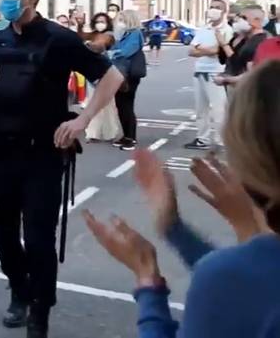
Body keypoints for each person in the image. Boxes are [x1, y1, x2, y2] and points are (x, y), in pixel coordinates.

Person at [0, 0, 124, 338]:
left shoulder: (59, 39)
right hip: (0, 154)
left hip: (42, 158)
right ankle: (19, 289)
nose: (4, 0)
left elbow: (112, 77)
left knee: (37, 239)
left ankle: (39, 312)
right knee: (2, 234)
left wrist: (81, 120)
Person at [85, 60, 280, 338]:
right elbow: (252, 286)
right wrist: (173, 228)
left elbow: (239, 285)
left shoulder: (229, 274)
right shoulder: (243, 271)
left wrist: (147, 282)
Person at [184, 0, 233, 151]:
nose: (213, 10)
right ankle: (202, 138)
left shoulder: (227, 29)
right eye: (212, 7)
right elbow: (191, 50)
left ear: (224, 11)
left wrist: (203, 49)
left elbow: (217, 51)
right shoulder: (203, 29)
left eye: (218, 8)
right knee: (200, 109)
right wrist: (208, 49)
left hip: (216, 72)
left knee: (219, 110)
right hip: (199, 71)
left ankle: (223, 141)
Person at [107, 10, 147, 151]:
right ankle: (126, 135)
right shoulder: (121, 34)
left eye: (122, 19)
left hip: (130, 74)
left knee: (126, 105)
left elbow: (127, 51)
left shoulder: (135, 34)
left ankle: (131, 137)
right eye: (119, 19)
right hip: (120, 72)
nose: (119, 22)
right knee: (120, 105)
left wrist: (112, 53)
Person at [83, 13, 121, 143]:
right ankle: (93, 132)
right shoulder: (93, 34)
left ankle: (109, 132)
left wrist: (89, 46)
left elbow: (100, 45)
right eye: (98, 21)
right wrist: (79, 25)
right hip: (93, 73)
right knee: (93, 102)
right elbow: (79, 37)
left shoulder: (109, 35)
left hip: (107, 73)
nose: (100, 24)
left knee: (107, 104)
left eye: (102, 21)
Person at [216, 7, 270, 87]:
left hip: (248, 90)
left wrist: (226, 80)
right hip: (237, 88)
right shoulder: (243, 39)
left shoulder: (260, 42)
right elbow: (231, 60)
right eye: (239, 17)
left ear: (257, 20)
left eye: (244, 18)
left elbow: (252, 74)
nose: (239, 20)